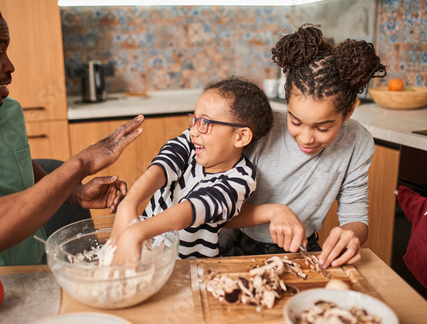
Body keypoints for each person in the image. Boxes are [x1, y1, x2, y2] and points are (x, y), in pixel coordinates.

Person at [0, 0, 144, 268]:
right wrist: (81, 163)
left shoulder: (8, 112)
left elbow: (14, 164)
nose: (10, 66)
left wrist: (73, 194)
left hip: (32, 274)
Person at [219, 24, 386, 269]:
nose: (306, 138)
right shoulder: (260, 128)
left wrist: (352, 236)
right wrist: (273, 211)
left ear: (348, 111)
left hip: (303, 249)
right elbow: (217, 210)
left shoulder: (357, 141)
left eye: (323, 128)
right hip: (235, 245)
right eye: (295, 121)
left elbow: (355, 218)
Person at [108, 77, 273, 264]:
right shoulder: (190, 142)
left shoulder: (240, 179)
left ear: (240, 136)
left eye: (205, 123)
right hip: (148, 255)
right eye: (194, 120)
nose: (194, 131)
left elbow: (192, 209)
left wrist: (138, 232)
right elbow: (163, 164)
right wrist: (129, 204)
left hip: (189, 269)